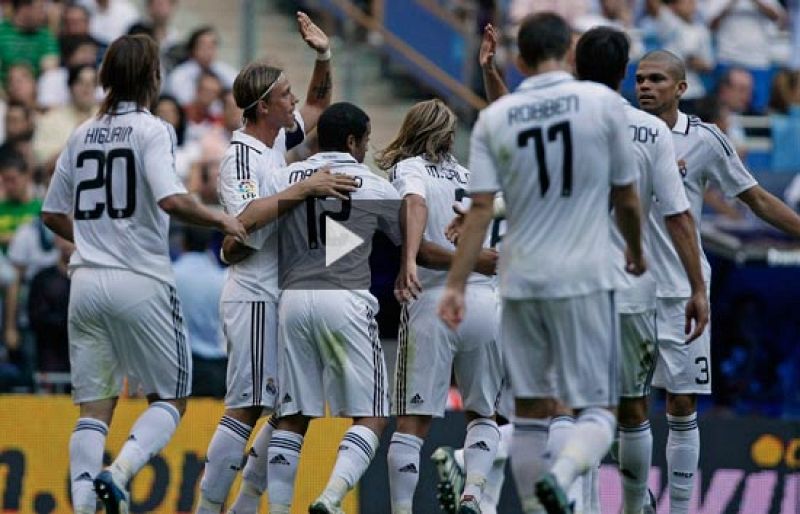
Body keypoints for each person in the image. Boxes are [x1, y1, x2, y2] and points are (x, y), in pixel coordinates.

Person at [438, 12, 645, 514]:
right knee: (599, 411)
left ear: (521, 58)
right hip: (585, 276)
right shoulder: (602, 105)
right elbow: (626, 196)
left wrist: (456, 285)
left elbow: (480, 209)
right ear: (568, 52)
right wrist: (637, 251)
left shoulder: (496, 119)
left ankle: (530, 500)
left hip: (520, 280)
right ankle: (563, 475)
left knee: (530, 416)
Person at [40, 34, 247, 514]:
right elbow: (171, 199)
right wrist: (222, 219)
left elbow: (51, 212)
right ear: (152, 77)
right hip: (141, 278)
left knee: (94, 409)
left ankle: (84, 505)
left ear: (108, 77)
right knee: (171, 398)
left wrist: (93, 239)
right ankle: (119, 472)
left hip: (85, 282)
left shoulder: (82, 132)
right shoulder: (153, 129)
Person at [194, 13, 353, 514]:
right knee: (247, 406)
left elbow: (318, 105)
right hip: (254, 295)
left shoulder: (274, 144)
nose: (294, 101)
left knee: (290, 407)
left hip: (280, 294)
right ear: (263, 106)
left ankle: (245, 505)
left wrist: (323, 55)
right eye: (285, 95)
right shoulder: (240, 156)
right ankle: (207, 506)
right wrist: (304, 187)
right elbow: (243, 220)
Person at [635, 49, 800, 514]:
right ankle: (631, 500)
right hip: (625, 288)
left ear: (681, 88)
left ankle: (679, 508)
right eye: (641, 78)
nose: (645, 86)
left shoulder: (705, 139)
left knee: (681, 403)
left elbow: (757, 199)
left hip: (681, 292)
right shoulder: (620, 131)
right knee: (622, 404)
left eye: (657, 79)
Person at [265, 101, 398, 514]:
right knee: (372, 414)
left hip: (292, 300)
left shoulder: (285, 177)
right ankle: (331, 496)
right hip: (344, 298)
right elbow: (407, 242)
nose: (367, 148)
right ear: (353, 141)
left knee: (292, 415)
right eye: (366, 140)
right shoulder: (375, 185)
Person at [376, 99, 503, 514]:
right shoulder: (472, 176)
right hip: (484, 303)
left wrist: (411, 257)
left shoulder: (408, 169)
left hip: (433, 303)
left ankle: (402, 509)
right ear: (449, 136)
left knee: (412, 422)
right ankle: (473, 495)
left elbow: (415, 204)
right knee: (483, 413)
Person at [173, 226, 226, 398]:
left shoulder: (170, 275)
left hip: (180, 366)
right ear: (209, 244)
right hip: (217, 368)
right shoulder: (222, 278)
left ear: (183, 242)